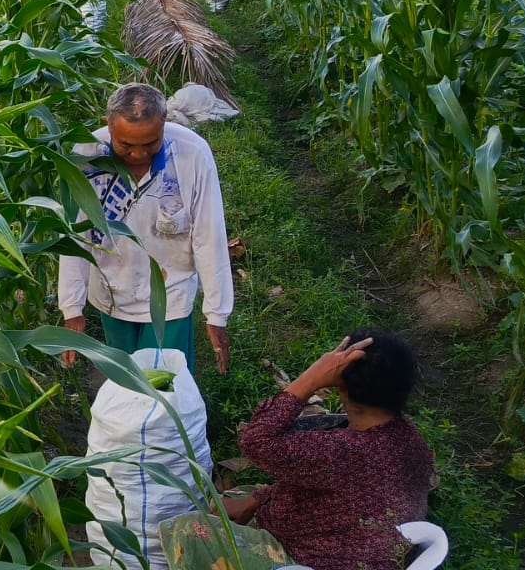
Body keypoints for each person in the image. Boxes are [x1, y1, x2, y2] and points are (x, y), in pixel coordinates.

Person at [161, 330, 436, 570]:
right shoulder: (408, 438)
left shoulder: (345, 451)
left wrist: (311, 378)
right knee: (237, 496)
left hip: (319, 561)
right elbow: (328, 483)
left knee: (188, 529)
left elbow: (255, 441)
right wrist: (258, 498)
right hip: (364, 541)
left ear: (341, 382)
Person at [57, 82, 235, 374]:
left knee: (166, 382)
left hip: (170, 295)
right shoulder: (87, 155)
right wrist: (72, 308)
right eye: (125, 145)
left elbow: (208, 234)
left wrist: (216, 313)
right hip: (111, 289)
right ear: (109, 127)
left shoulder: (193, 155)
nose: (138, 155)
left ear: (165, 124)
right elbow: (76, 234)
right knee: (126, 381)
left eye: (151, 144)